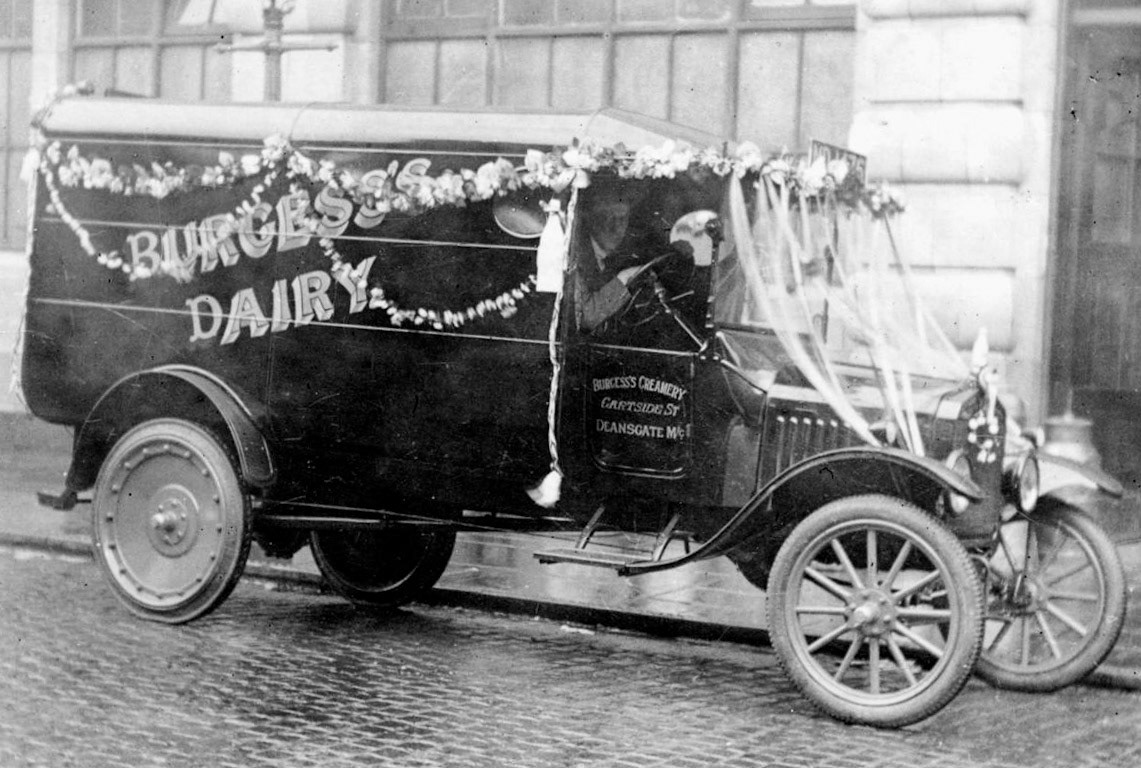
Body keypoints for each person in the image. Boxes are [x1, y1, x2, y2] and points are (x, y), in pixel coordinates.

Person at [573, 184, 661, 332]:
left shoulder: (623, 252)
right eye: (606, 218)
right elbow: (585, 317)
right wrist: (624, 278)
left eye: (622, 219)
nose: (614, 226)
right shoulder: (575, 256)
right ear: (591, 220)